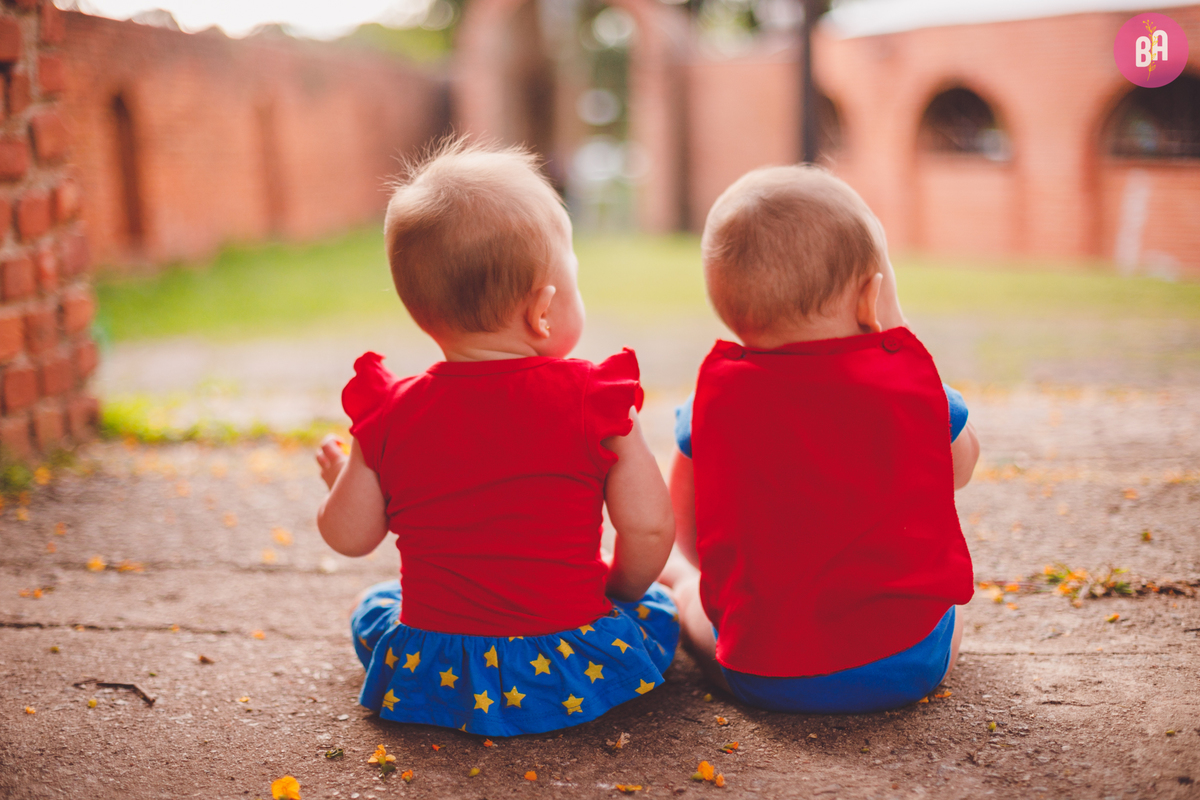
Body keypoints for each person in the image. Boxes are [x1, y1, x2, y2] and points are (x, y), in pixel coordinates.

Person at [314, 140, 678, 736]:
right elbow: (651, 527)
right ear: (542, 313)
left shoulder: (391, 413)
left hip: (437, 672)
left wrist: (348, 482)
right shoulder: (596, 399)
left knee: (377, 608)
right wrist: (620, 590)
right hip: (568, 669)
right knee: (654, 611)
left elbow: (349, 536)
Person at [660, 165, 980, 714]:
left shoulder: (709, 410)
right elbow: (963, 465)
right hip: (906, 665)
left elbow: (690, 536)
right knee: (949, 619)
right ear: (870, 298)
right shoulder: (913, 394)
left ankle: (679, 592)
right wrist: (898, 332)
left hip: (764, 674)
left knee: (693, 595)